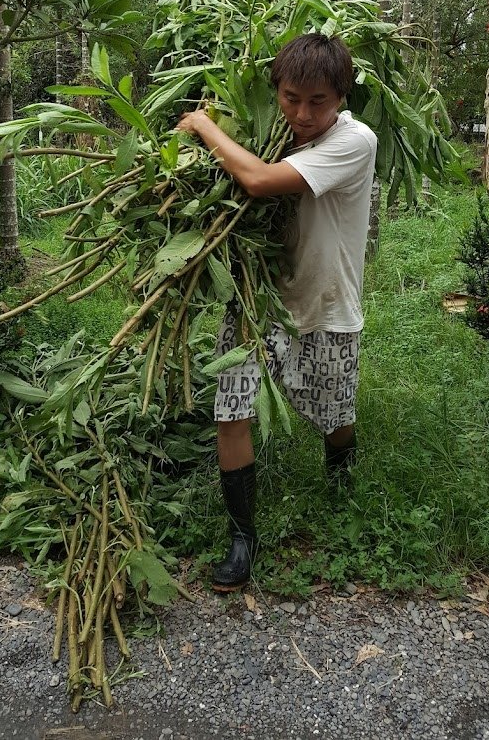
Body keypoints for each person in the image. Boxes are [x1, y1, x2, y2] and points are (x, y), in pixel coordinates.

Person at [176, 33, 377, 591]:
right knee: (231, 408)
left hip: (326, 300)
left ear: (341, 97)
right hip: (257, 294)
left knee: (333, 413)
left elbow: (260, 181)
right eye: (291, 98)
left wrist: (203, 126)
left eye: (318, 102)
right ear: (276, 90)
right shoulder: (266, 127)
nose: (303, 114)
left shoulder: (356, 141)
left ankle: (341, 476)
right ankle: (242, 537)